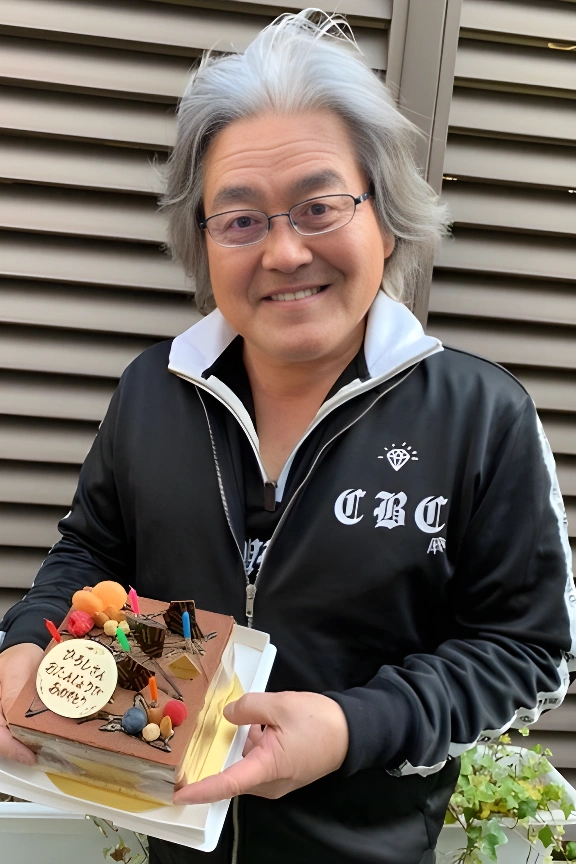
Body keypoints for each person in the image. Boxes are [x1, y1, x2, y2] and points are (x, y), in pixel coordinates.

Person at [0, 10, 574, 864]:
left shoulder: (481, 416)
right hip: (171, 837)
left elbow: (528, 649)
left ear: (385, 217)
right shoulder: (152, 391)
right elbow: (91, 552)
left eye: (318, 207)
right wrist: (26, 641)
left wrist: (350, 727)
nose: (284, 252)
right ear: (202, 242)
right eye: (241, 219)